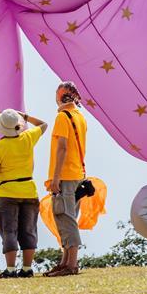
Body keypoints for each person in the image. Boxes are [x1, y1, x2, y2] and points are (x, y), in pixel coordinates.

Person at [0, 108, 47, 277]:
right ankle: (27, 268)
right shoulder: (28, 137)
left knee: (9, 231)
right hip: (29, 191)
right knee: (29, 230)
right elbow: (43, 125)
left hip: (7, 192)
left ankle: (10, 269)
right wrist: (25, 116)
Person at [46, 81, 87, 277]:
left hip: (65, 175)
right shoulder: (79, 116)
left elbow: (62, 147)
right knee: (69, 217)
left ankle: (71, 264)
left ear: (61, 96)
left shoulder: (62, 117)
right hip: (77, 174)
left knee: (65, 218)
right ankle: (65, 262)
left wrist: (55, 178)